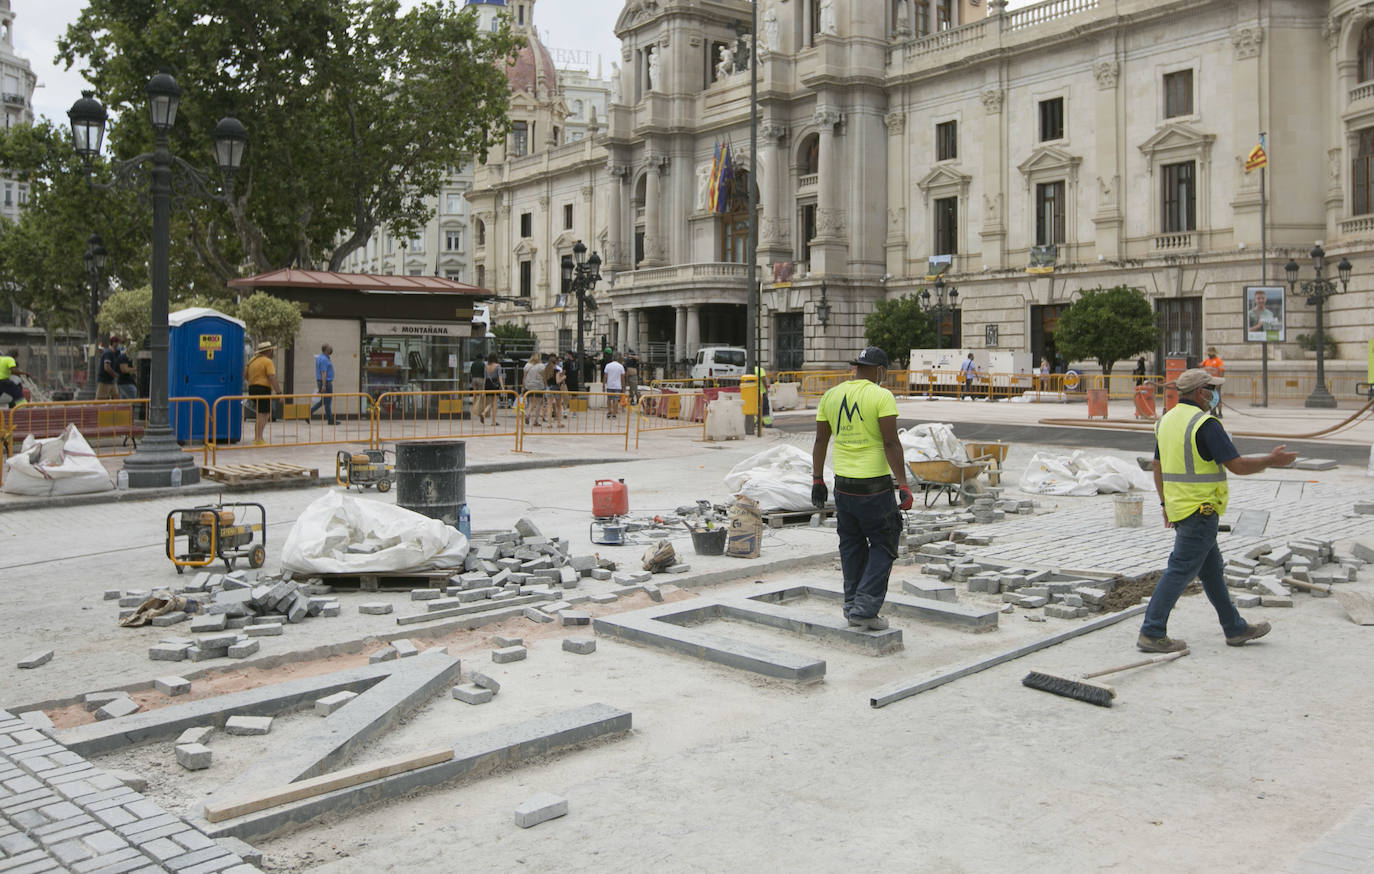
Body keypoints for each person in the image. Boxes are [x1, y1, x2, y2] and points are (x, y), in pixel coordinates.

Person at [1137, 368, 1296, 653]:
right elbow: (1237, 465)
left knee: (1211, 571)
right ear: (1201, 392)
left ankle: (1234, 628)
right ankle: (1152, 631)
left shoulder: (1166, 421)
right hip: (1202, 510)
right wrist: (1271, 461)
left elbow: (1158, 466)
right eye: (1212, 389)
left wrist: (1164, 504)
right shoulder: (1205, 424)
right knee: (1180, 570)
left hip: (1180, 508)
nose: (1215, 394)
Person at [811, 347, 913, 630]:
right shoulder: (881, 396)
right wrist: (903, 485)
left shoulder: (831, 395)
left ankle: (851, 605)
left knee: (851, 545)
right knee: (884, 542)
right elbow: (891, 443)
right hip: (874, 487)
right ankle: (865, 609)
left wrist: (817, 479)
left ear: (857, 367)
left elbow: (820, 442)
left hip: (842, 486)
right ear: (880, 370)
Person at [244, 340, 281, 445]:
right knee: (263, 414)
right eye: (272, 351)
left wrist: (253, 381)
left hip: (252, 388)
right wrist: (279, 392)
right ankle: (258, 439)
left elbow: (245, 375)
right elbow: (271, 377)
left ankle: (257, 437)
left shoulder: (251, 360)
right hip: (263, 389)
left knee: (261, 413)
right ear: (268, 351)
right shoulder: (267, 361)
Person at [309, 343, 336, 425]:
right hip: (326, 382)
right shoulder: (324, 359)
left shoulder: (321, 357)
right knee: (327, 401)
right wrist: (324, 385)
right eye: (330, 348)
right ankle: (330, 420)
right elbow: (323, 372)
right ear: (326, 350)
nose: (331, 349)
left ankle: (308, 414)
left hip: (322, 382)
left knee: (323, 401)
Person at [522, 352, 546, 427]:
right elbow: (544, 377)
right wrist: (545, 385)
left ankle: (527, 414)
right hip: (539, 386)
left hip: (529, 385)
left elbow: (524, 377)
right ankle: (536, 421)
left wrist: (523, 386)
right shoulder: (542, 366)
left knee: (531, 402)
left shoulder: (527, 365)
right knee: (538, 403)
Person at [1200, 346, 1225, 418]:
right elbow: (1201, 365)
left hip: (1216, 381)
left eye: (1210, 353)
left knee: (1218, 397)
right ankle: (1213, 411)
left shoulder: (1218, 361)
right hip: (1209, 381)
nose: (1209, 355)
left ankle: (1220, 412)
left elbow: (1222, 370)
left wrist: (1220, 380)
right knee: (1210, 397)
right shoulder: (1207, 361)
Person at [480, 353, 503, 425]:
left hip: (487, 384)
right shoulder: (498, 366)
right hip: (495, 384)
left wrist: (483, 389)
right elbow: (500, 377)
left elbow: (484, 378)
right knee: (495, 403)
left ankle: (484, 412)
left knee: (490, 402)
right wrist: (502, 387)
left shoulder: (486, 366)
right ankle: (493, 421)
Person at [96, 335, 121, 400]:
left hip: (111, 381)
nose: (120, 345)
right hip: (105, 381)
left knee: (116, 398)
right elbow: (107, 367)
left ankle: (115, 410)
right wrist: (115, 375)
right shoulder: (108, 353)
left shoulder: (114, 353)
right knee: (100, 401)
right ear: (114, 343)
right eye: (119, 343)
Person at [604, 352, 626, 419]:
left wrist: (603, 385)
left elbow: (605, 376)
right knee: (616, 400)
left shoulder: (608, 365)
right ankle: (614, 414)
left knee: (609, 399)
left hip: (609, 385)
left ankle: (609, 411)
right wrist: (623, 386)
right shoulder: (620, 366)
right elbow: (622, 378)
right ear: (618, 358)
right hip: (617, 386)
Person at [545, 355, 565, 427]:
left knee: (549, 406)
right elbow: (557, 381)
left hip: (548, 388)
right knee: (558, 406)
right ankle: (559, 423)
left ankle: (549, 423)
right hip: (556, 388)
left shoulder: (546, 371)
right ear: (555, 363)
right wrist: (563, 378)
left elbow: (545, 380)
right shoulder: (557, 371)